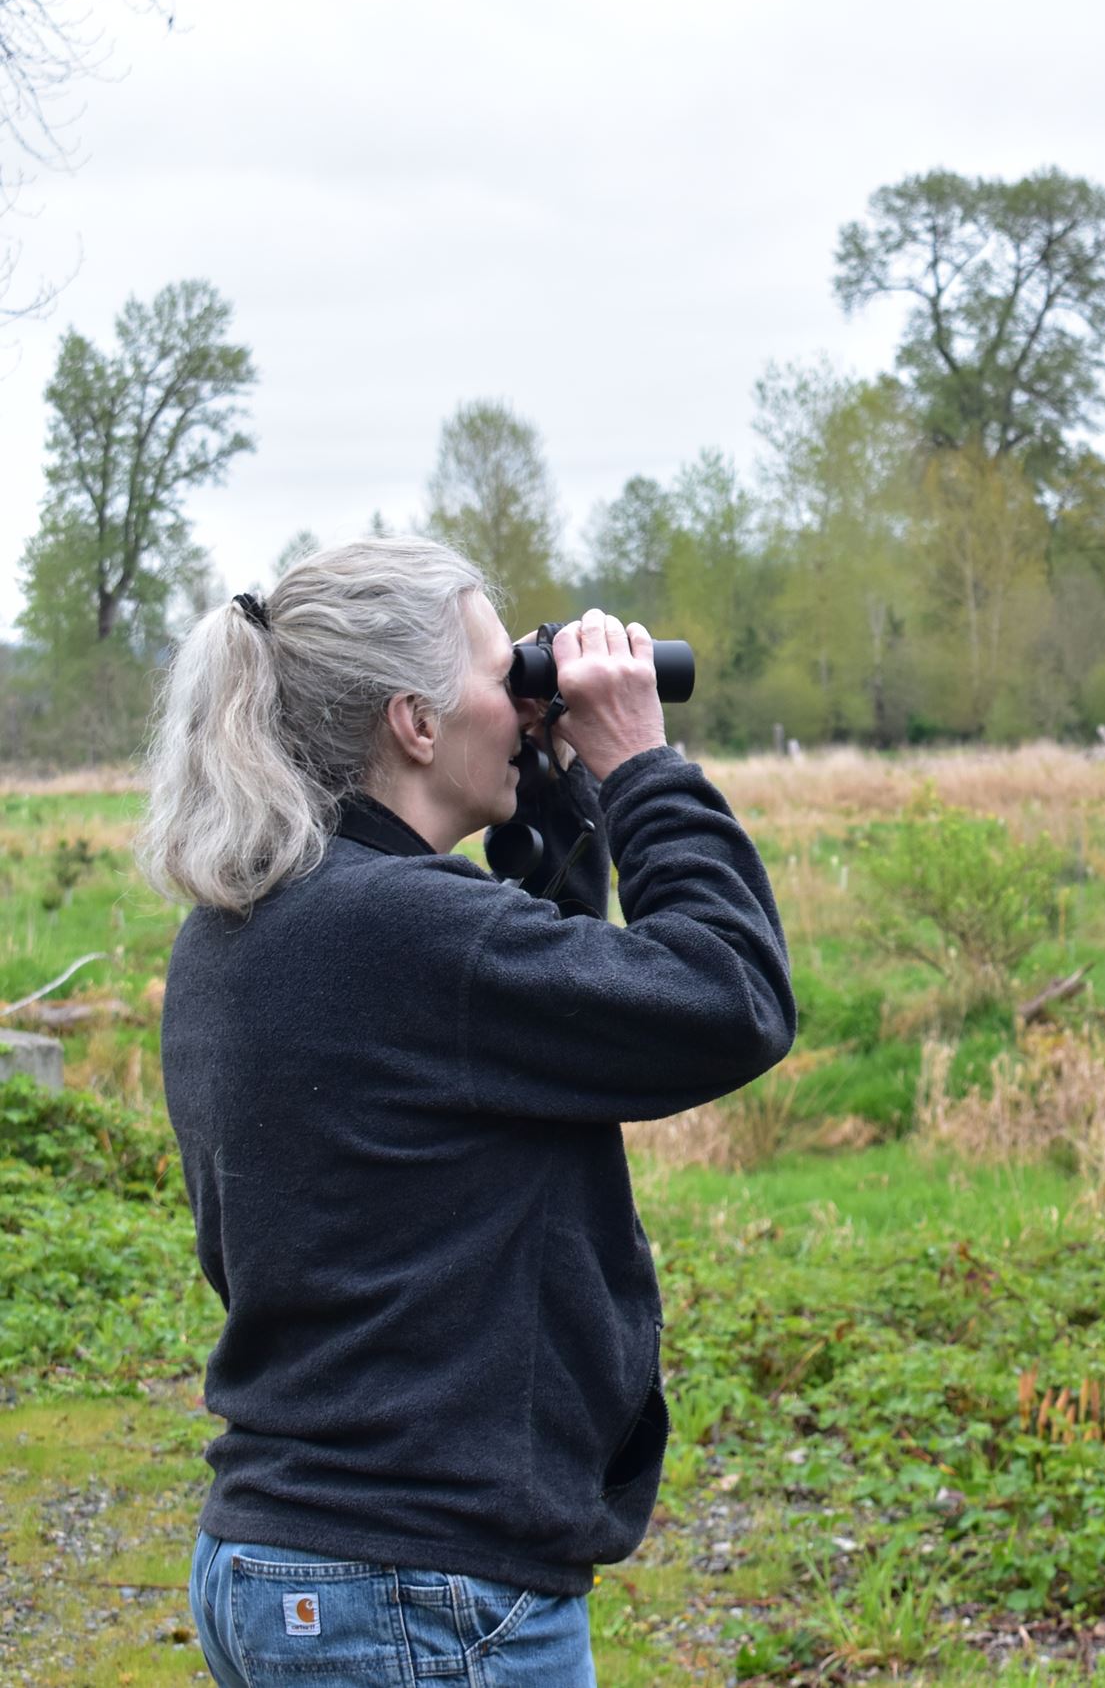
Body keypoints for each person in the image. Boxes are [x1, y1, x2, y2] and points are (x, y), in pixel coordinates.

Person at [140, 537, 797, 1688]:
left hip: (291, 1551)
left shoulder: (251, 921)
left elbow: (541, 1027)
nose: (532, 701)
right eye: (507, 676)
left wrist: (555, 801)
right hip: (418, 1583)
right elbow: (727, 998)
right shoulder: (407, 933)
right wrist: (641, 765)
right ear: (415, 722)